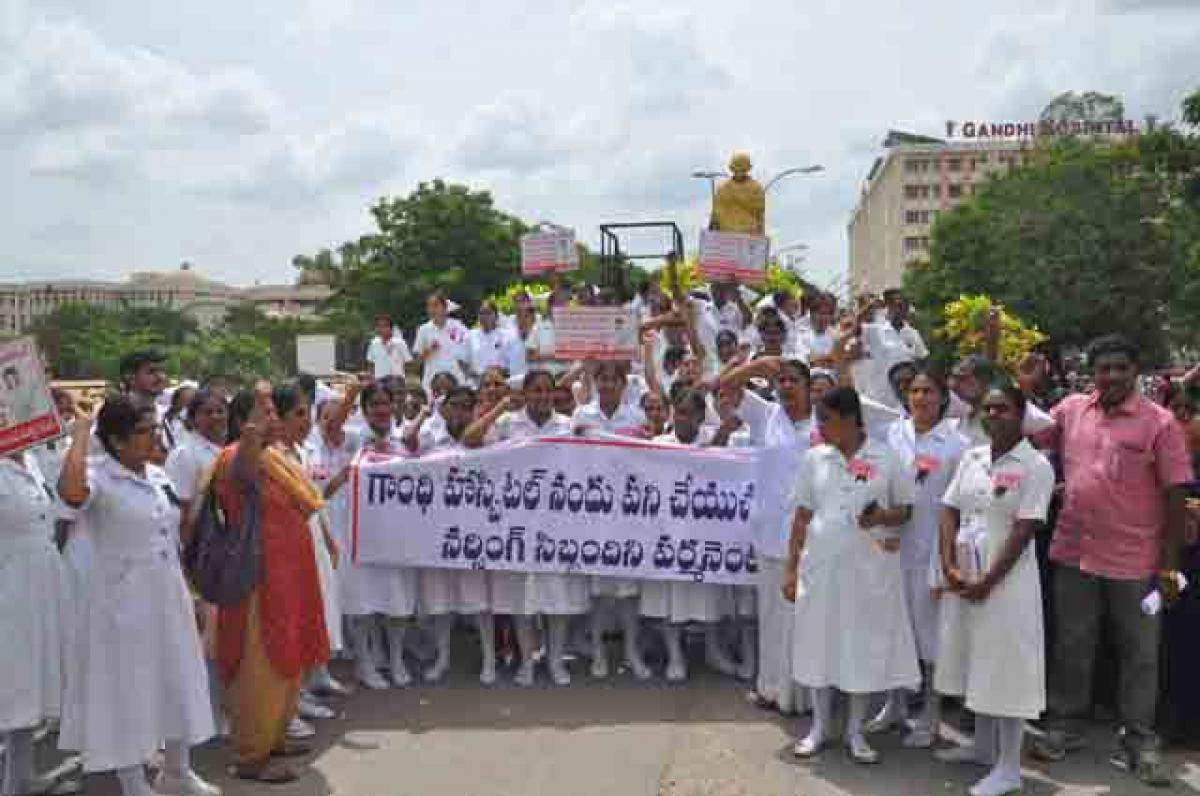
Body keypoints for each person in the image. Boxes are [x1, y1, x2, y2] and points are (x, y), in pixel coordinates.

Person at [1033, 335, 1192, 788]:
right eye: (1104, 368)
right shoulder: (1070, 410)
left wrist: (1167, 566)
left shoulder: (1159, 423)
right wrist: (1024, 385)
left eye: (1121, 368)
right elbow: (1025, 431)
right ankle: (1066, 725)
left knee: (1140, 654)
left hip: (1137, 560)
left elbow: (1176, 493)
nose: (1112, 376)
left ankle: (1140, 738)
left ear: (1136, 371)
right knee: (1072, 644)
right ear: (1094, 372)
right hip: (1075, 551)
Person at [57, 396, 218, 796]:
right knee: (128, 685)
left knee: (176, 675)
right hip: (121, 600)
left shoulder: (156, 475)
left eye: (152, 429)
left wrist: (191, 592)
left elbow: (169, 535)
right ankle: (133, 781)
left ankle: (177, 771)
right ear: (115, 440)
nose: (152, 439)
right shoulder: (99, 475)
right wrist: (80, 433)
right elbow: (72, 494)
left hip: (166, 592)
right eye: (143, 432)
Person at [784, 387, 919, 765]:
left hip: (869, 571)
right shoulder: (815, 458)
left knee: (860, 648)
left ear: (849, 418)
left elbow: (906, 511)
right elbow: (801, 517)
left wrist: (880, 518)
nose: (819, 426)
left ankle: (855, 731)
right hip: (822, 567)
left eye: (824, 418)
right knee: (819, 644)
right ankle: (819, 727)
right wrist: (791, 569)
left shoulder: (887, 457)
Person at [935, 385, 1055, 796]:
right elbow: (949, 509)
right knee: (975, 660)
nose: (993, 415)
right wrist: (949, 565)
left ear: (1021, 414)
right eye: (987, 409)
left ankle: (1009, 769)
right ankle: (983, 748)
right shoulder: (972, 457)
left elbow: (1024, 529)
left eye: (1002, 408)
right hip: (966, 575)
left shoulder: (1036, 465)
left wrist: (987, 581)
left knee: (1007, 668)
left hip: (1007, 582)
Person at [210, 387, 329, 783]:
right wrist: (251, 435)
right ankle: (251, 755)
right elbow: (241, 478)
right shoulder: (235, 457)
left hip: (289, 576)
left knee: (289, 659)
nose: (275, 419)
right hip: (259, 581)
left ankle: (275, 737)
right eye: (266, 413)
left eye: (274, 413)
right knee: (261, 666)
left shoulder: (275, 457)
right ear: (246, 422)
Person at [462, 370, 587, 686]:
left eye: (547, 390)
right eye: (535, 390)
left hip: (558, 522)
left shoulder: (568, 424)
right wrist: (501, 407)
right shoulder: (507, 423)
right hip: (517, 523)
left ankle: (556, 661)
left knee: (557, 597)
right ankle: (528, 663)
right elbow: (471, 439)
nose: (542, 395)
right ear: (525, 392)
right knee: (523, 598)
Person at [868, 367, 968, 748]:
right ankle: (894, 706)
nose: (921, 397)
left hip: (931, 553)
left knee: (930, 641)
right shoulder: (892, 434)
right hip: (892, 549)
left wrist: (950, 557)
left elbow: (957, 506)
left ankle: (931, 715)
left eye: (929, 390)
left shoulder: (956, 444)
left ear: (943, 397)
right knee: (893, 630)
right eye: (915, 390)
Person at [720, 356, 818, 709]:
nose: (788, 387)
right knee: (773, 615)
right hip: (770, 530)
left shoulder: (823, 422)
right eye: (783, 382)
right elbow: (725, 388)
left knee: (804, 617)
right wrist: (757, 367)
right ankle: (771, 688)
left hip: (813, 535)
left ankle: (804, 697)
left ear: (809, 388)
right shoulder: (767, 415)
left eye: (795, 381)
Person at [640, 388, 743, 681]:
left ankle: (712, 651)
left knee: (708, 598)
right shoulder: (659, 443)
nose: (683, 418)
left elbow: (716, 467)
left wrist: (722, 434)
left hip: (705, 534)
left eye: (690, 413)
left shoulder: (715, 441)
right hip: (668, 534)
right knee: (671, 600)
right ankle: (675, 655)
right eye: (679, 411)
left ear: (701, 416)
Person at [325, 381, 421, 691]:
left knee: (398, 600)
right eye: (374, 405)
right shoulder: (353, 437)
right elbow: (331, 428)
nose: (381, 410)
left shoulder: (404, 441)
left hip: (396, 535)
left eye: (386, 403)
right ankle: (365, 664)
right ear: (364, 411)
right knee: (362, 602)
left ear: (394, 407)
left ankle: (395, 660)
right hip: (357, 535)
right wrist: (350, 394)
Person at [403, 386, 496, 685]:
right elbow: (407, 444)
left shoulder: (486, 438)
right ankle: (443, 658)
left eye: (465, 407)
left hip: (474, 535)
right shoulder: (431, 439)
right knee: (440, 603)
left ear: (474, 410)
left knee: (479, 602)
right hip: (438, 536)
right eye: (453, 406)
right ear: (444, 410)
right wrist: (423, 414)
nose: (458, 412)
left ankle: (490, 658)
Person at [572, 362, 652, 681]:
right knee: (600, 591)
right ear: (595, 381)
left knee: (629, 590)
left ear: (623, 384)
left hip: (629, 510)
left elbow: (648, 459)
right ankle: (600, 654)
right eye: (601, 378)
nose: (606, 384)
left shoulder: (637, 417)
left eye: (612, 379)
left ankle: (631, 651)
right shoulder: (582, 416)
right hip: (595, 509)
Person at [272, 384, 344, 731]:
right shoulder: (275, 457)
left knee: (317, 612)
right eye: (297, 414)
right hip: (290, 546)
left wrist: (328, 539)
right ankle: (291, 701)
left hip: (313, 537)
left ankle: (309, 684)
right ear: (280, 417)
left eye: (306, 413)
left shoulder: (302, 451)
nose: (305, 421)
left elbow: (315, 501)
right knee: (296, 619)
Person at [0, 449, 71, 796]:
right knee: (10, 683)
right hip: (9, 584)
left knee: (27, 685)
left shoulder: (29, 461)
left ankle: (21, 776)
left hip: (40, 582)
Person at [413, 292, 470, 392]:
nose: (432, 309)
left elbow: (469, 349)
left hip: (456, 378)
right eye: (429, 306)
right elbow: (417, 362)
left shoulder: (457, 326)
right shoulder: (423, 330)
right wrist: (428, 350)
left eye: (435, 305)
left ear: (445, 307)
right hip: (432, 380)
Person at [467, 300, 526, 384]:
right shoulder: (471, 335)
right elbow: (463, 360)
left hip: (502, 382)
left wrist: (499, 372)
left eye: (488, 313)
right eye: (481, 313)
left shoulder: (508, 335)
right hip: (477, 382)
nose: (484, 317)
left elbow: (514, 363)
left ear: (496, 315)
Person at [365, 314, 413, 380]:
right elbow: (370, 363)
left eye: (384, 326)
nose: (381, 329)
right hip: (379, 381)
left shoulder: (400, 343)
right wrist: (371, 378)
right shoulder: (374, 343)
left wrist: (401, 376)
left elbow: (408, 362)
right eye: (379, 326)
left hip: (396, 380)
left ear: (390, 328)